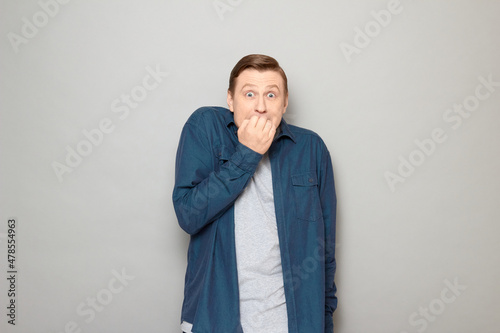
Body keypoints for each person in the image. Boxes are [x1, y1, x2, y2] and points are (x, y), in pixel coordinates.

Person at [173, 54, 337, 333]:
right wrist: (248, 153)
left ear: (284, 102)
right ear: (230, 99)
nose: (261, 106)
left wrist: (324, 322)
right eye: (249, 94)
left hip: (294, 324)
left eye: (271, 95)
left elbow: (325, 250)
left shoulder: (311, 149)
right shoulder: (205, 128)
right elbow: (188, 214)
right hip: (217, 321)